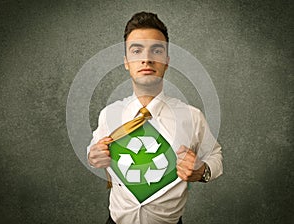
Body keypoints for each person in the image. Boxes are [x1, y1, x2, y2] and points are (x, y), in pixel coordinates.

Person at [87, 12, 223, 224]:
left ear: (166, 61)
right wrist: (92, 155)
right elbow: (94, 149)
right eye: (136, 50)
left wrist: (202, 172)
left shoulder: (191, 116)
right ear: (126, 62)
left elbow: (215, 156)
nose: (147, 58)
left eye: (156, 50)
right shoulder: (109, 114)